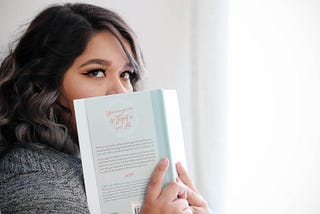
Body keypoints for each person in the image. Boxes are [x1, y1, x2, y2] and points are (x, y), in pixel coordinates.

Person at [0, 3, 210, 213]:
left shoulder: (83, 169)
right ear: (43, 83)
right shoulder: (36, 186)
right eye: (96, 72)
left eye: (126, 74)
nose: (120, 92)